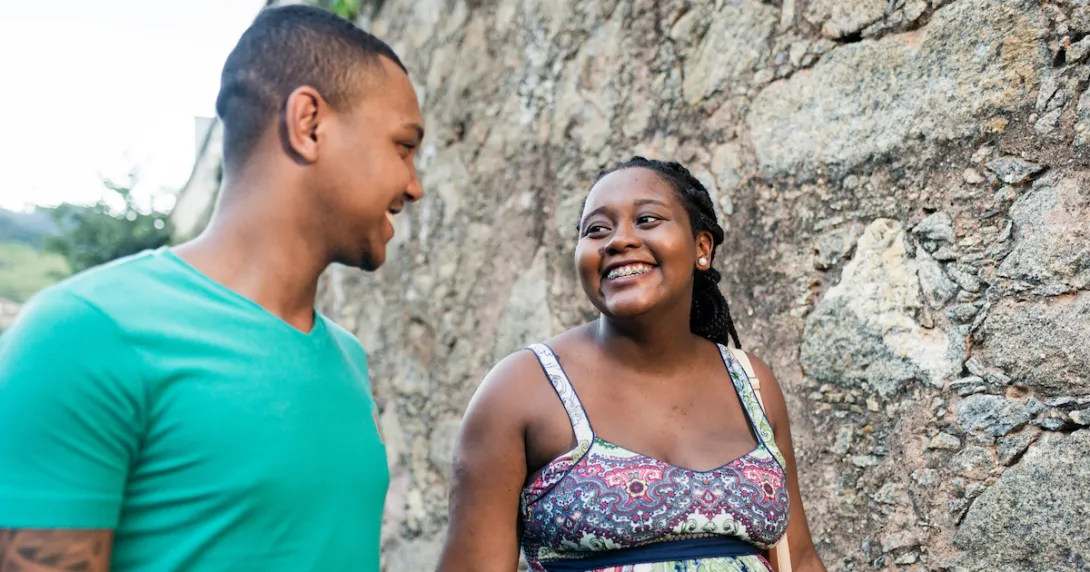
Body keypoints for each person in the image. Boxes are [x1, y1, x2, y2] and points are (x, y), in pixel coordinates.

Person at [0, 5, 423, 571]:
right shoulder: (85, 332)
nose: (414, 185)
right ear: (309, 124)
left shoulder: (346, 357)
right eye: (403, 146)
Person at [436, 157, 825, 572]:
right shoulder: (521, 389)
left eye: (647, 219)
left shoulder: (752, 384)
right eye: (596, 229)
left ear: (702, 248)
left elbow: (799, 559)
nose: (619, 240)